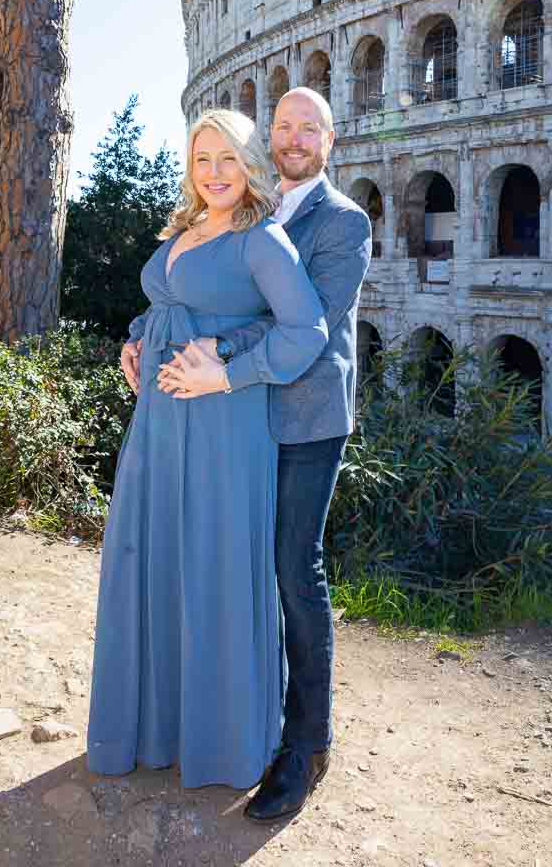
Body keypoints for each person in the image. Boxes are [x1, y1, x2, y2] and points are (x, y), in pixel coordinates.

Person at [126, 87, 373, 819]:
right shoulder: (242, 210)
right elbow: (203, 288)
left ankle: (305, 745)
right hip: (230, 412)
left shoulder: (343, 222)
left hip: (301, 417)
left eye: (309, 128)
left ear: (330, 140)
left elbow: (307, 324)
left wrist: (217, 355)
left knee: (293, 569)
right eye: (283, 126)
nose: (294, 138)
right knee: (228, 566)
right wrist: (146, 335)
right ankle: (240, 720)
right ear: (269, 138)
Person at [87, 109, 328, 790]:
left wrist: (225, 372)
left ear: (250, 164)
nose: (215, 173)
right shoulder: (185, 231)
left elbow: (304, 331)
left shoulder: (261, 239)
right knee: (154, 558)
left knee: (212, 566)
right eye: (202, 160)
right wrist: (136, 340)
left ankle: (219, 744)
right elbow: (165, 307)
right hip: (159, 422)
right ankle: (153, 729)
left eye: (228, 159)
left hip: (222, 425)